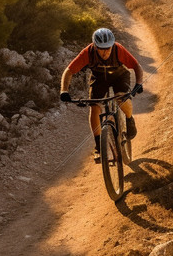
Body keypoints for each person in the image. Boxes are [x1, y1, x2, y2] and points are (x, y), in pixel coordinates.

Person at [59, 27, 144, 163]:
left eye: (108, 48)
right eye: (101, 48)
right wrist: (64, 90)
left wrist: (139, 83)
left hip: (119, 76)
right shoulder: (88, 52)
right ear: (94, 45)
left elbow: (136, 66)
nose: (105, 52)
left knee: (121, 98)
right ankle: (99, 146)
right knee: (94, 107)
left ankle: (129, 119)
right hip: (99, 78)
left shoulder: (118, 49)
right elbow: (69, 71)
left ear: (112, 45)